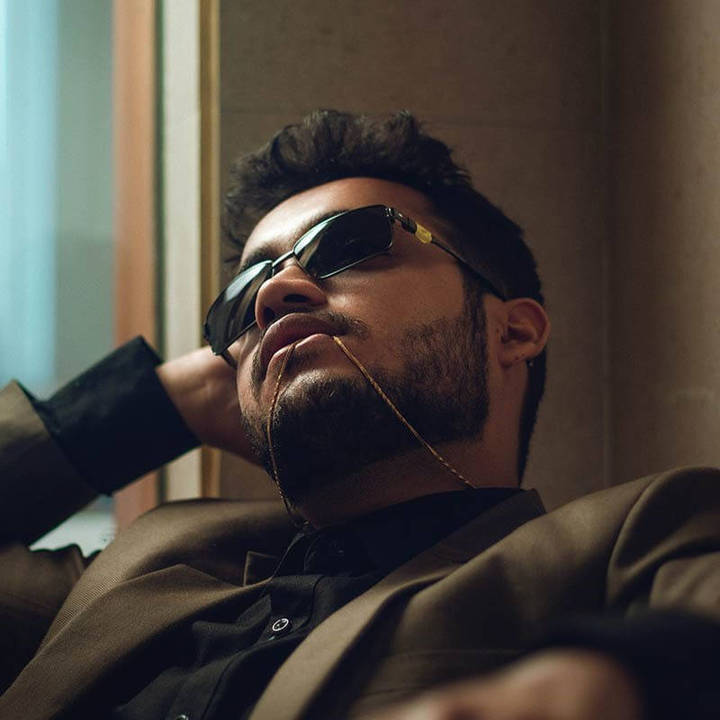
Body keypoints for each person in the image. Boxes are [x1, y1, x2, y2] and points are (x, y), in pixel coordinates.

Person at [1, 110, 718, 720]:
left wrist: (602, 683)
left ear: (514, 331)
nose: (273, 294)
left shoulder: (629, 543)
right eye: (243, 297)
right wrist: (164, 402)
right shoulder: (153, 562)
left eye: (349, 246)